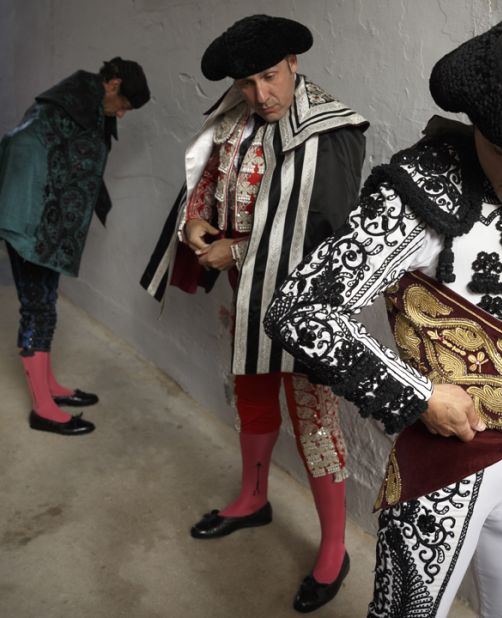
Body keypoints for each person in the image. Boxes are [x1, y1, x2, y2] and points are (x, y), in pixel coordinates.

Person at [264, 14, 502, 617]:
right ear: (476, 124)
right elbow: (302, 308)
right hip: (442, 464)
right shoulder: (424, 188)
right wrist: (417, 395)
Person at [139, 15, 367, 613]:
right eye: (247, 82)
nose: (260, 94)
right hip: (243, 289)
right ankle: (253, 498)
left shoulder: (331, 128)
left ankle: (335, 546)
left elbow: (329, 229)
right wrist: (194, 221)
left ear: (293, 61)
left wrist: (233, 247)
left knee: (315, 417)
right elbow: (205, 174)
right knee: (253, 392)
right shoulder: (236, 116)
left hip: (305, 302)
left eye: (269, 76)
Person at [0, 57, 151, 437]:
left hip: (43, 223)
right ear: (111, 85)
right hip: (29, 223)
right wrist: (36, 214)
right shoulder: (61, 108)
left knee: (45, 306)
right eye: (123, 105)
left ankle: (49, 387)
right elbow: (19, 144)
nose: (122, 115)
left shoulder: (80, 104)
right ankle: (42, 409)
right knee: (36, 309)